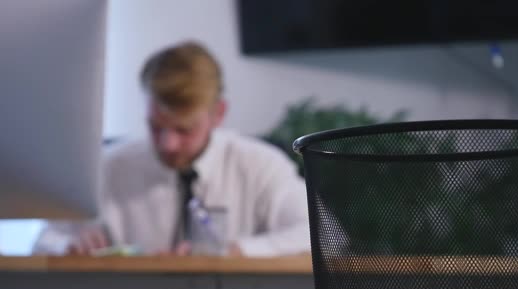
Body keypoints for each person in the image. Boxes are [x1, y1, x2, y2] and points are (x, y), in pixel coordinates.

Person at [32, 41, 310, 257]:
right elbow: (44, 240)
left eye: (184, 130)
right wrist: (68, 244)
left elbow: (319, 234)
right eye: (155, 126)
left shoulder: (261, 166)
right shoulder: (108, 167)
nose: (168, 144)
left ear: (218, 114)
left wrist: (237, 251)